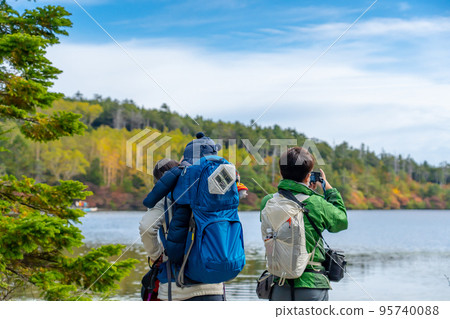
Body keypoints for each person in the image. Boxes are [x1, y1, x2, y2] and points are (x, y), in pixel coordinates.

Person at [260, 146, 348, 301]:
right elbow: (341, 222)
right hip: (311, 285)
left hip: (279, 284)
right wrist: (326, 188)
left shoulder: (268, 202)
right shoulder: (317, 203)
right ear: (308, 176)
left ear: (281, 173)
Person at [139, 158, 225, 301]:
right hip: (213, 286)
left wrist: (156, 255)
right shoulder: (206, 196)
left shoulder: (162, 200)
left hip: (176, 288)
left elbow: (146, 228)